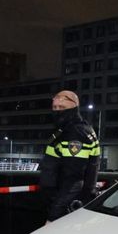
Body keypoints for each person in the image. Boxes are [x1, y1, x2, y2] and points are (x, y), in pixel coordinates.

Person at [39, 90, 100, 222]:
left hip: (65, 205)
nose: (57, 111)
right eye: (55, 107)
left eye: (62, 107)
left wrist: (54, 214)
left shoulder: (75, 133)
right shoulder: (68, 128)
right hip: (60, 199)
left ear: (74, 108)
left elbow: (74, 180)